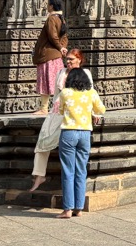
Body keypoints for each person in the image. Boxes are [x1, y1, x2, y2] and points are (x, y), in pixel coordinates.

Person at [30, 49, 92, 191]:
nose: (68, 62)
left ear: (79, 60)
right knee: (42, 141)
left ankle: (74, 184)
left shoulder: (85, 74)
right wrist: (51, 109)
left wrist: (93, 114)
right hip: (57, 111)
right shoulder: (61, 72)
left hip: (74, 114)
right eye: (67, 59)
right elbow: (57, 95)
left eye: (71, 59)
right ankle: (39, 175)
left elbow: (89, 93)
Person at [56, 66, 105, 218]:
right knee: (81, 170)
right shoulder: (91, 93)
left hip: (69, 132)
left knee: (68, 171)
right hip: (85, 133)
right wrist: (92, 112)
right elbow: (101, 109)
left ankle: (67, 209)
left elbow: (60, 110)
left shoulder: (65, 93)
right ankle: (79, 207)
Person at [32, 0, 68, 115]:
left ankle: (44, 108)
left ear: (51, 6)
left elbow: (52, 36)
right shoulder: (61, 19)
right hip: (56, 56)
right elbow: (64, 37)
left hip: (48, 55)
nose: (47, 6)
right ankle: (59, 107)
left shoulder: (51, 19)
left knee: (45, 81)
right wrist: (62, 48)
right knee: (58, 83)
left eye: (48, 4)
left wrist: (59, 47)